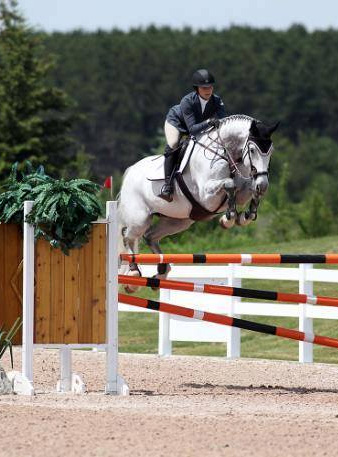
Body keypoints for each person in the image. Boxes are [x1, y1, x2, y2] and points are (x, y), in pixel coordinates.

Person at [159, 68, 226, 202]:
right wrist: (209, 122)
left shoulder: (217, 101)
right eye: (204, 87)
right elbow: (192, 129)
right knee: (173, 144)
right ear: (197, 89)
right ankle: (167, 186)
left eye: (210, 87)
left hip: (199, 126)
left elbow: (224, 122)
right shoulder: (187, 101)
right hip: (177, 123)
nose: (208, 90)